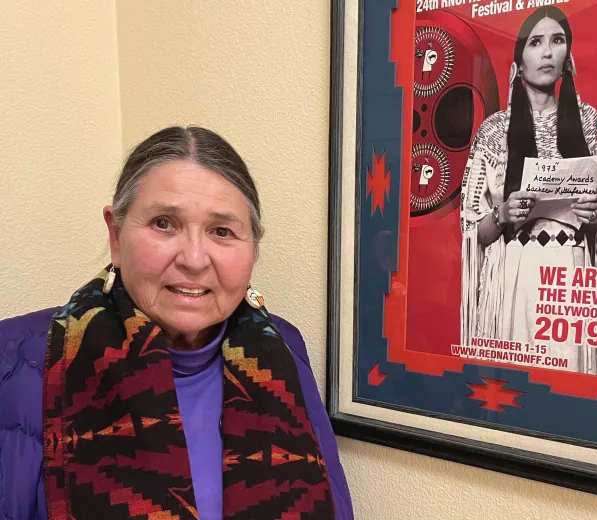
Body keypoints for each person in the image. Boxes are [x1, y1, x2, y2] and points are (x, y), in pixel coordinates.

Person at [0, 126, 353, 519]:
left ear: (253, 246)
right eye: (164, 223)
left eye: (222, 231)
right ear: (115, 236)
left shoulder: (283, 349)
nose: (194, 258)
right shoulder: (13, 360)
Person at [460, 6, 597, 376]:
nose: (547, 52)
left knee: (565, 400)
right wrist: (502, 215)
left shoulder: (588, 122)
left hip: (568, 282)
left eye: (557, 41)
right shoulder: (494, 132)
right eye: (536, 43)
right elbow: (470, 232)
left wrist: (593, 216)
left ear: (568, 58)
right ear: (518, 62)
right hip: (513, 280)